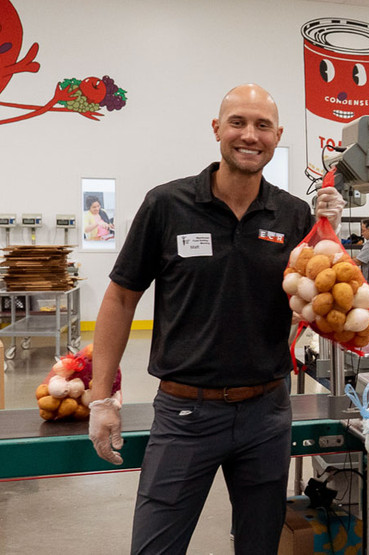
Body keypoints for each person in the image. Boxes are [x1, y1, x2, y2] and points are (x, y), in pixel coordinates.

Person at [86, 83, 346, 554]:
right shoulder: (166, 205)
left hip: (266, 413)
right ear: (217, 129)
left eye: (262, 125)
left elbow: (324, 301)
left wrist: (328, 233)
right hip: (186, 413)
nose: (250, 135)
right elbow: (121, 298)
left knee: (259, 546)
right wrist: (101, 399)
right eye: (238, 122)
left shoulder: (291, 213)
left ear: (277, 134)